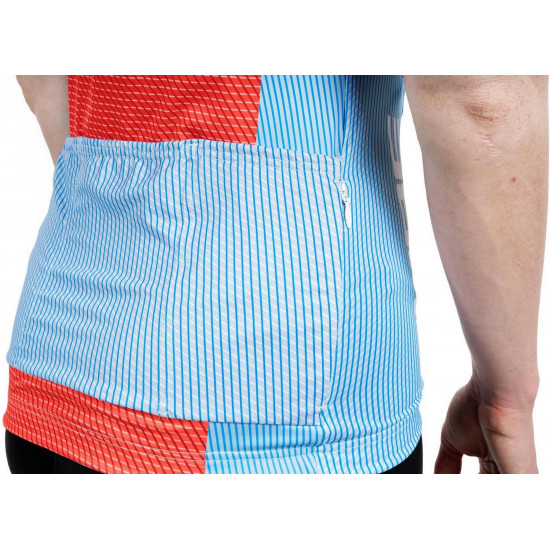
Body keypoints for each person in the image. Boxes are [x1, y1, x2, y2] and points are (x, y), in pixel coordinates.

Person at [2, 75, 547, 474]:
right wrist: (505, 393)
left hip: (61, 365)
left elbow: (42, 75)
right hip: (288, 412)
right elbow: (479, 96)